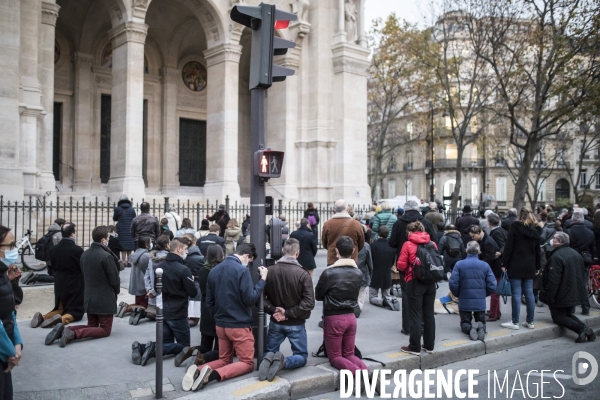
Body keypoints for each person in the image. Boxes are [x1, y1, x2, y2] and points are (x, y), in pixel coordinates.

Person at [181, 244, 267, 391]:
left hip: (220, 324)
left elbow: (209, 301)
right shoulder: (242, 270)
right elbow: (250, 299)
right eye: (250, 260)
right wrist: (262, 280)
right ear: (247, 256)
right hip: (239, 324)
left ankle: (198, 369)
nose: (249, 264)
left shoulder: (213, 271)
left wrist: (218, 317)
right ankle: (211, 375)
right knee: (247, 363)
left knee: (224, 359)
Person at [48, 226, 120, 348]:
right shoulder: (106, 256)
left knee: (92, 325)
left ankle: (68, 329)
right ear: (103, 240)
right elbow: (114, 279)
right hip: (104, 298)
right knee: (105, 329)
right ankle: (73, 334)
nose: (109, 239)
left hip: (89, 297)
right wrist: (116, 291)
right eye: (108, 237)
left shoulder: (85, 254)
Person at [133, 238, 198, 367]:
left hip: (163, 309)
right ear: (179, 249)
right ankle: (152, 348)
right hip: (178, 312)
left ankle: (142, 347)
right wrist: (192, 281)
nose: (186, 252)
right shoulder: (183, 269)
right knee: (185, 347)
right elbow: (193, 292)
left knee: (166, 342)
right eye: (185, 249)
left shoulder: (160, 266)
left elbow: (157, 288)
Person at [260, 238, 315, 381]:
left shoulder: (269, 270)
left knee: (269, 351)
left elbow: (260, 298)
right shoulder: (303, 274)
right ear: (297, 253)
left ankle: (268, 361)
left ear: (283, 251)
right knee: (301, 356)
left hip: (275, 321)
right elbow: (309, 303)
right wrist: (289, 313)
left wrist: (274, 310)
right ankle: (284, 362)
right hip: (296, 323)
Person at [315, 236, 367, 374]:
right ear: (354, 250)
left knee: (335, 357)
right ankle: (368, 372)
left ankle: (360, 375)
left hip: (334, 318)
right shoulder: (358, 273)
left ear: (336, 251)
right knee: (349, 354)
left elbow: (318, 295)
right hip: (351, 317)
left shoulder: (328, 273)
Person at [388, 200, 437, 335]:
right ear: (418, 209)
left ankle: (408, 326)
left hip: (406, 266)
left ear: (405, 210)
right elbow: (434, 242)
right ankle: (422, 326)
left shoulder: (399, 223)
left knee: (407, 294)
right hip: (425, 266)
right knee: (425, 296)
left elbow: (391, 243)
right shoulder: (425, 222)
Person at [540, 232, 596, 343]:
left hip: (561, 293)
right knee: (567, 314)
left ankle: (582, 329)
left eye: (554, 238)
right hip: (573, 291)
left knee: (558, 317)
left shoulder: (556, 256)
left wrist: (550, 297)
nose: (552, 240)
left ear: (559, 242)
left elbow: (553, 280)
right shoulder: (575, 254)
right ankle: (587, 330)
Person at [31, 222, 85, 331]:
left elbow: (52, 267)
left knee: (61, 307)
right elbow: (82, 267)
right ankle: (61, 320)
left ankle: (43, 317)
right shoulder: (77, 250)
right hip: (75, 283)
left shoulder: (53, 249)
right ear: (73, 234)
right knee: (76, 311)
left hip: (59, 282)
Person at [397, 221, 437, 355]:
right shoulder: (432, 243)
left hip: (414, 282)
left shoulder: (408, 244)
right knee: (429, 314)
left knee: (415, 315)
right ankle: (429, 345)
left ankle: (415, 346)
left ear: (409, 232)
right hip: (430, 283)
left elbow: (401, 265)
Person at [183, 244, 225, 368]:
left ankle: (191, 350)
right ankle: (201, 358)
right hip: (218, 310)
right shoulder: (221, 271)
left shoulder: (203, 270)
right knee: (220, 349)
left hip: (205, 309)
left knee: (206, 344)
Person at [501, 208, 542, 330]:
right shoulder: (536, 230)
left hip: (515, 264)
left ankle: (515, 322)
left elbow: (509, 247)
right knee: (529, 293)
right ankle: (530, 321)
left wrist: (504, 263)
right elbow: (538, 251)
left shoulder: (515, 226)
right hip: (530, 265)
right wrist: (537, 266)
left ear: (520, 215)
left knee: (516, 294)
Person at [449, 241, 496, 341]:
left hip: (464, 300)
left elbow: (453, 283)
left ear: (466, 250)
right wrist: (484, 293)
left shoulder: (459, 264)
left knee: (465, 322)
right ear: (479, 251)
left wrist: (458, 294)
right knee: (481, 320)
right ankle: (481, 328)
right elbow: (492, 284)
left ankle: (470, 328)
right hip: (480, 301)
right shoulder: (485, 265)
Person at [0, 225, 24, 399]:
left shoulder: (4, 274)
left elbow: (10, 312)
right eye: (9, 245)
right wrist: (10, 352)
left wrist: (17, 343)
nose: (13, 250)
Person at [566, 210, 595, 316]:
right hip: (585, 260)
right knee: (583, 285)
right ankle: (586, 308)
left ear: (573, 219)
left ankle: (572, 308)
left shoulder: (569, 232)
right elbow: (593, 249)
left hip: (572, 259)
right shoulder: (590, 233)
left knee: (572, 283)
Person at [138, 234, 172, 325]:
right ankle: (145, 313)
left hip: (152, 292)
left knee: (156, 313)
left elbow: (147, 275)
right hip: (164, 293)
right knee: (164, 315)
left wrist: (149, 289)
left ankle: (144, 313)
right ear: (167, 245)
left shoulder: (152, 258)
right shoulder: (169, 258)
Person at [116, 237, 152, 323]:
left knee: (139, 303)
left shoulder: (136, 253)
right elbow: (148, 271)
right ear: (147, 244)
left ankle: (126, 306)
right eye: (150, 242)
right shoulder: (146, 256)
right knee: (144, 306)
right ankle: (128, 308)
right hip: (143, 284)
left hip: (136, 283)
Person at [21, 218, 65, 285]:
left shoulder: (51, 231)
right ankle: (37, 277)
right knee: (57, 278)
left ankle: (32, 276)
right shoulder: (59, 233)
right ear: (61, 225)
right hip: (55, 259)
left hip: (48, 258)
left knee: (52, 275)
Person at [321, 199, 365, 266]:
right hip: (351, 259)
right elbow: (361, 243)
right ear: (347, 209)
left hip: (333, 259)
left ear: (334, 210)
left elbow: (325, 243)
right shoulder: (356, 224)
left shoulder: (327, 224)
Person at [369, 226, 396, 309]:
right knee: (386, 295)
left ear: (378, 233)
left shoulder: (373, 245)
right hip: (387, 274)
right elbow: (392, 261)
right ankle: (389, 300)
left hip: (375, 273)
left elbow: (370, 260)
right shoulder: (392, 246)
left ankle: (383, 302)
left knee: (372, 297)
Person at [487, 213, 507, 321]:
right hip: (500, 264)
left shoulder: (496, 233)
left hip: (497, 265)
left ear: (489, 222)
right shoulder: (502, 230)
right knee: (496, 289)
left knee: (494, 291)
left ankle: (493, 313)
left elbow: (504, 245)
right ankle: (496, 312)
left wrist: (499, 253)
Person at [182, 234, 203, 328]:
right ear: (195, 242)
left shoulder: (182, 258)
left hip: (183, 287)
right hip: (196, 287)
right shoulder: (200, 258)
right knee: (194, 320)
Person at [113, 194, 136, 264]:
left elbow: (115, 218)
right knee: (129, 245)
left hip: (121, 228)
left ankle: (123, 261)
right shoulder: (131, 209)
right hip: (130, 228)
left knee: (123, 246)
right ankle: (129, 261)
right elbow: (134, 218)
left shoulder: (117, 209)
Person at [355, 229, 373, 314]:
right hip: (362, 272)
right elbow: (369, 262)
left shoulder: (350, 244)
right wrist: (371, 274)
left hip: (351, 272)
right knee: (361, 292)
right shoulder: (366, 245)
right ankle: (359, 307)